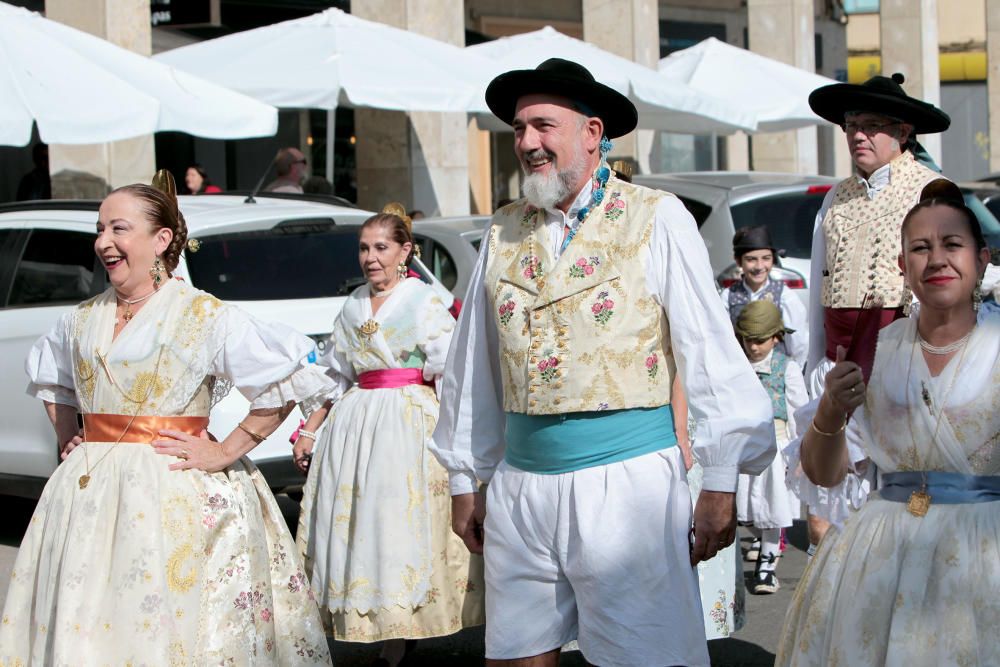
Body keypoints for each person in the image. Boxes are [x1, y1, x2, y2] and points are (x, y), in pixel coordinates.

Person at [429, 58, 774, 667]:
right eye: (518, 130)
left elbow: (709, 352)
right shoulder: (503, 229)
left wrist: (721, 481)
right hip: (521, 484)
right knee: (514, 657)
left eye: (543, 126)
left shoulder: (655, 216)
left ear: (592, 133)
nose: (528, 143)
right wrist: (466, 477)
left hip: (629, 488)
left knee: (643, 658)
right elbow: (472, 366)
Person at [0, 170, 331, 665]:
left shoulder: (201, 314)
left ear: (161, 240)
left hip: (173, 491)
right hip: (89, 497)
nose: (103, 242)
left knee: (170, 623)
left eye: (119, 229)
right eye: (101, 229)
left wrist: (224, 450)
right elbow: (53, 380)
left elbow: (284, 382)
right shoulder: (81, 317)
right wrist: (72, 438)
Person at [776, 187, 999, 665]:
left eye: (952, 245)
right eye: (921, 248)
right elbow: (824, 475)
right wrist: (830, 411)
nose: (937, 259)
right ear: (903, 266)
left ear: (981, 260)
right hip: (881, 558)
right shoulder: (874, 351)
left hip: (985, 557)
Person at [294, 203, 484, 666]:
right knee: (366, 523)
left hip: (408, 421)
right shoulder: (353, 304)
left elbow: (451, 373)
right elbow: (336, 375)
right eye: (364, 248)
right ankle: (384, 630)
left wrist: (460, 435)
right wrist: (310, 432)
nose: (371, 257)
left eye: (381, 247)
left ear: (405, 251)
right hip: (357, 425)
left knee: (404, 523)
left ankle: (406, 630)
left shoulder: (425, 302)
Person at [797, 72, 952, 552]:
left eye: (871, 125)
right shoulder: (835, 199)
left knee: (909, 517)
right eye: (850, 126)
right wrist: (814, 368)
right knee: (843, 514)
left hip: (909, 371)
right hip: (844, 370)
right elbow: (818, 287)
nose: (858, 136)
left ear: (903, 132)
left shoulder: (931, 190)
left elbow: (947, 290)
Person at [733, 301, 807, 595]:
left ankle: (767, 565)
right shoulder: (735, 367)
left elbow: (799, 411)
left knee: (773, 508)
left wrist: (800, 452)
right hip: (742, 445)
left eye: (760, 340)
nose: (753, 347)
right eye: (748, 340)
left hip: (776, 447)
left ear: (776, 337)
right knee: (745, 509)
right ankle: (760, 542)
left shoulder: (785, 368)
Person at [720, 226, 808, 367]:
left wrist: (793, 370)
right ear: (738, 261)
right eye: (751, 259)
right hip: (740, 372)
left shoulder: (785, 295)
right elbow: (722, 338)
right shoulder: (728, 296)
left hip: (776, 375)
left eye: (766, 258)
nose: (759, 266)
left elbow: (798, 342)